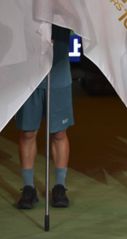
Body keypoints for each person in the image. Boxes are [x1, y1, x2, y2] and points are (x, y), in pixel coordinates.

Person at [15, 25, 73, 210]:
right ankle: (28, 188)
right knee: (28, 133)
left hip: (58, 74)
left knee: (59, 133)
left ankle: (60, 186)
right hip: (29, 76)